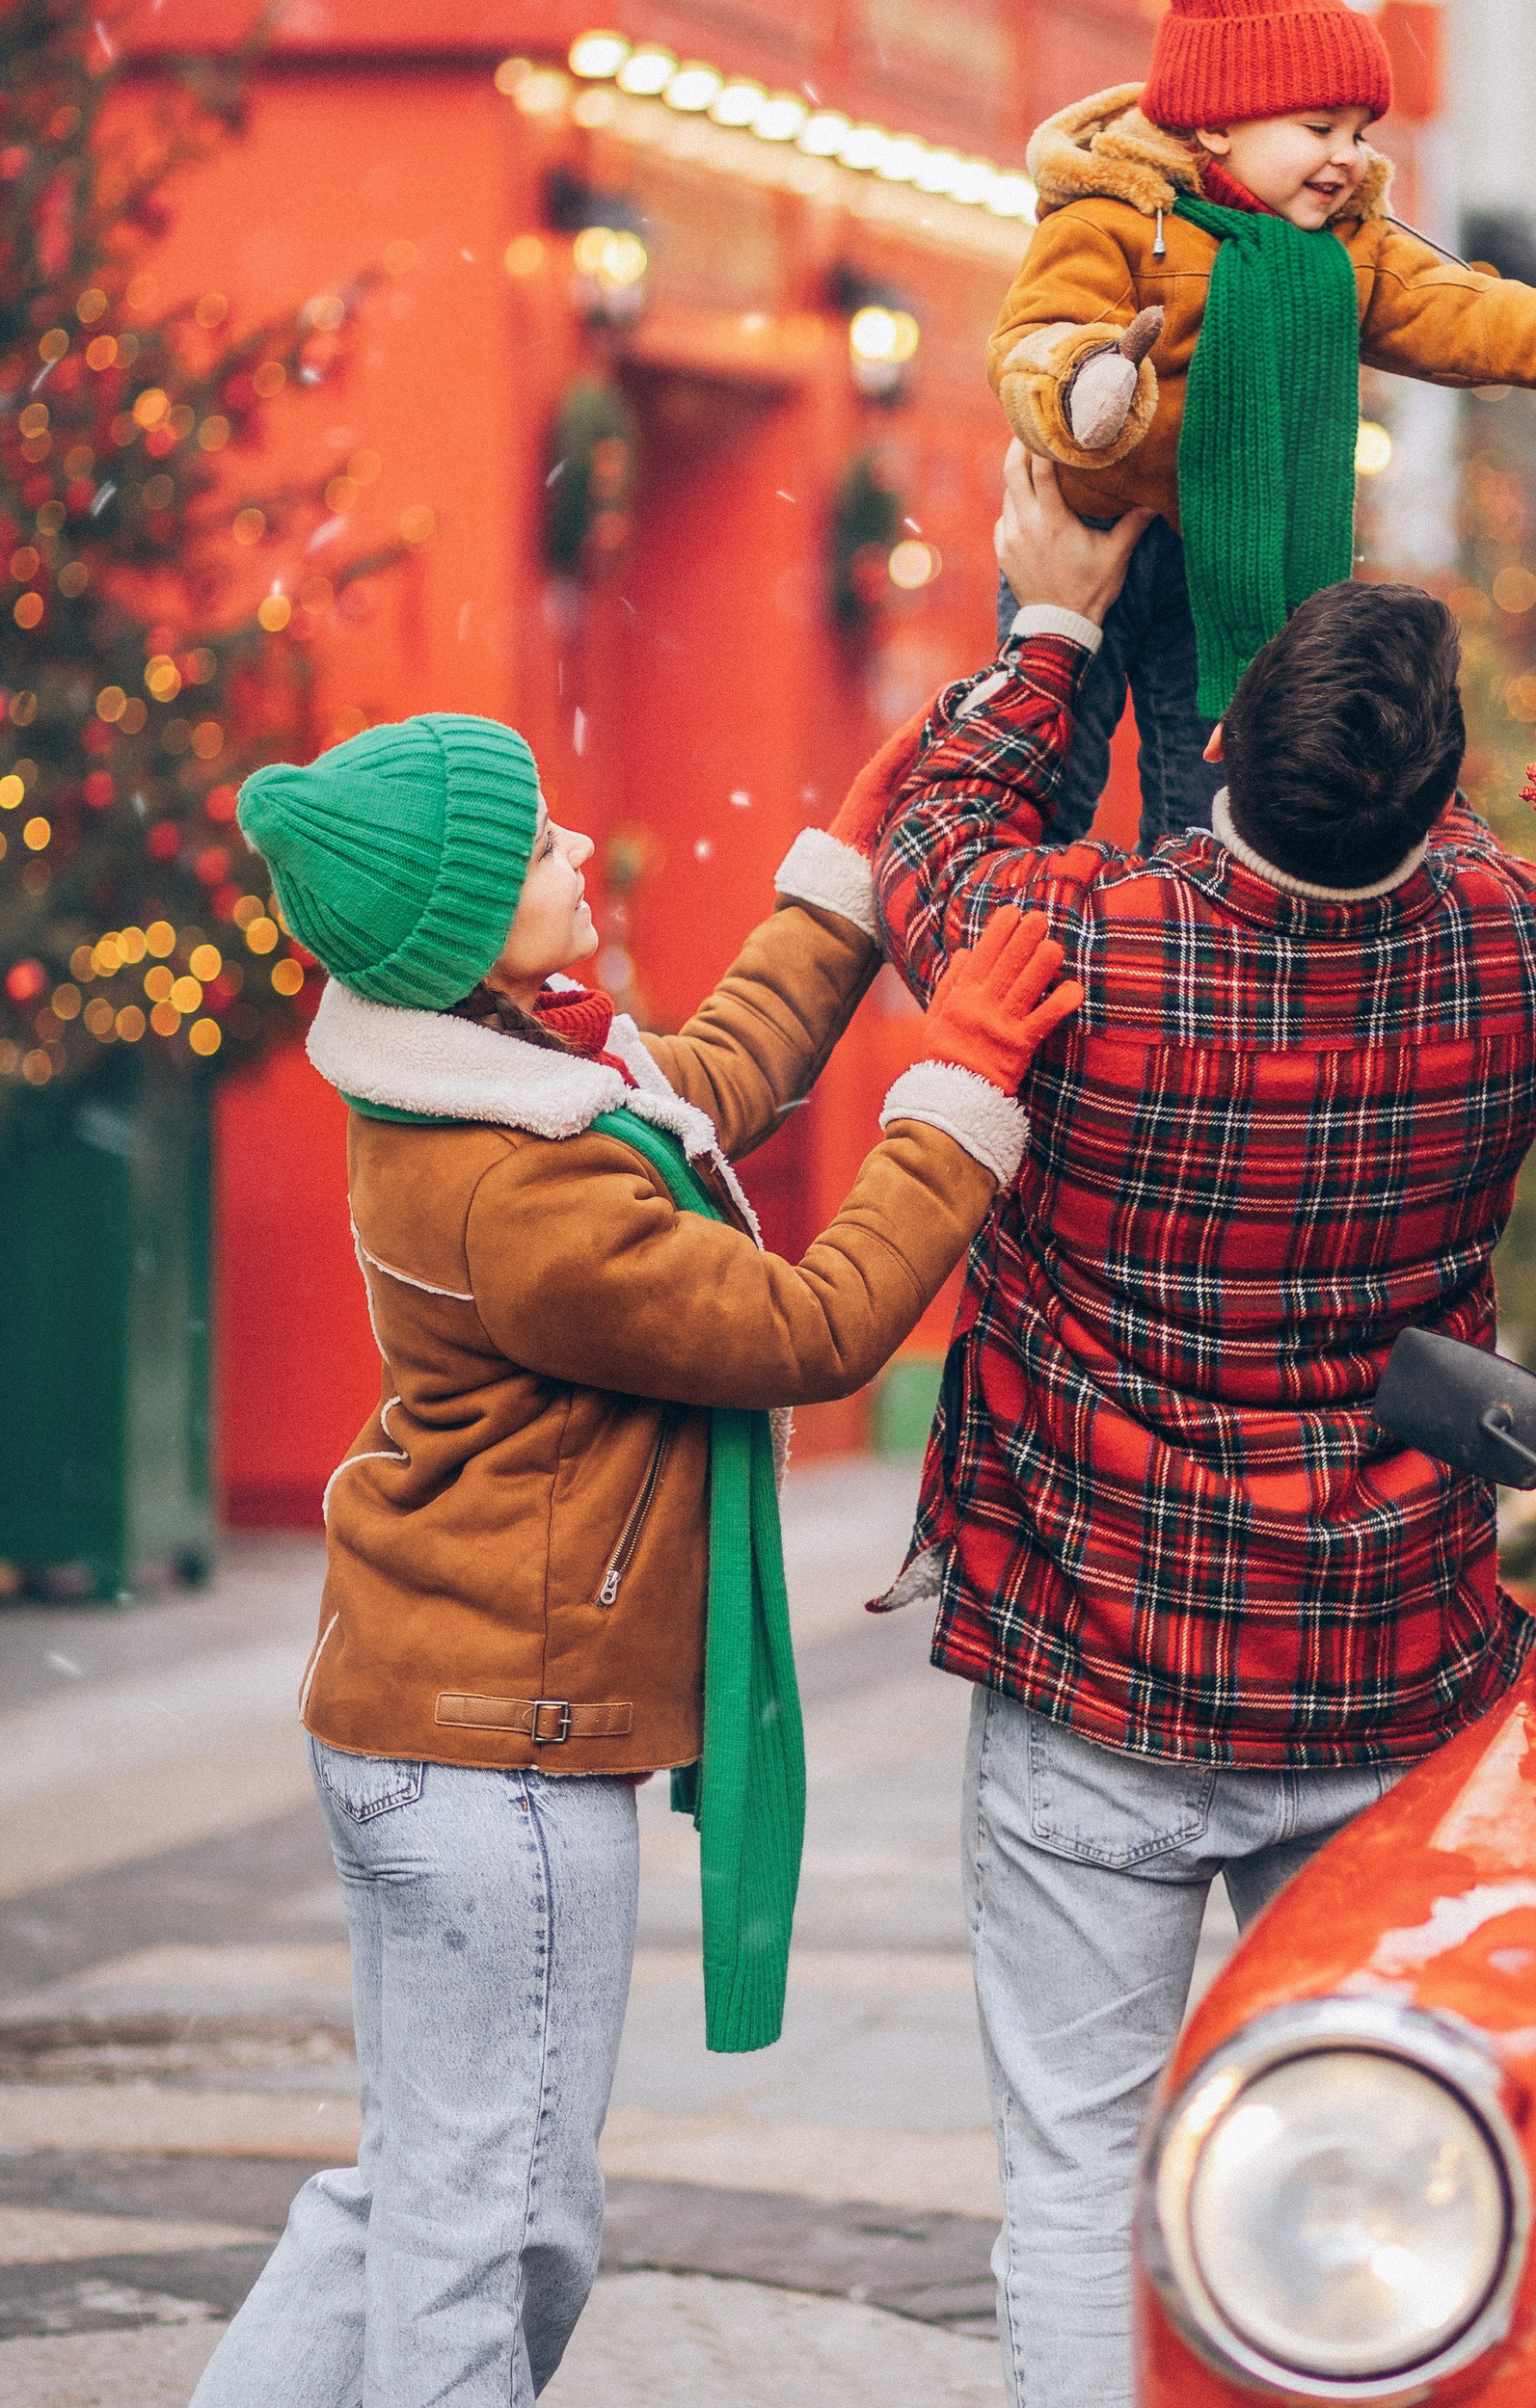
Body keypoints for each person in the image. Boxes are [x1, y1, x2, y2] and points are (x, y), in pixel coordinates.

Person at [193, 705, 1076, 2408]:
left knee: (415, 2190)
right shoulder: (517, 1181)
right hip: (490, 1753)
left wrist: (835, 884)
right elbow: (811, 1323)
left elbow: (714, 1079)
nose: (576, 849)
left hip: (428, 1718)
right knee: (500, 2225)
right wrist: (959, 1088)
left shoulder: (516, 1071)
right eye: (532, 849)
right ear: (460, 933)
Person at [871, 451, 1536, 2408]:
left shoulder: (1075, 957)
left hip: (1093, 1661)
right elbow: (1452, 897)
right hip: (1382, 1675)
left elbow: (927, 832)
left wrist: (1048, 620)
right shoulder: (1526, 958)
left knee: (1072, 2182)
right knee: (1371, 2186)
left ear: (1216, 750)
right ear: (1433, 795)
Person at [985, 0, 1536, 843]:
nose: (1348, 156)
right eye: (1318, 127)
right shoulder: (1110, 216)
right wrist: (1088, 377)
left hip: (1233, 556)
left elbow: (1465, 311)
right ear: (1216, 119)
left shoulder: (1345, 248)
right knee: (1050, 758)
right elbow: (1034, 332)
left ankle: (1201, 938)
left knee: (1217, 785)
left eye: (1358, 130)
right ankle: (1027, 921)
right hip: (1088, 532)